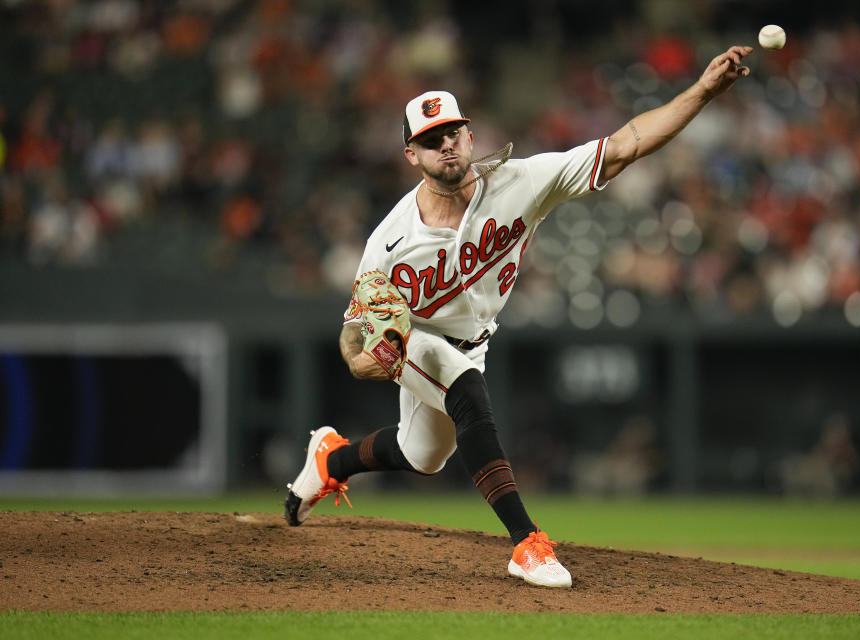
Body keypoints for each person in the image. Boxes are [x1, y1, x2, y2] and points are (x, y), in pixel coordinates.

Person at [285, 45, 753, 588]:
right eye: (430, 141)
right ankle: (527, 544)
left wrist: (700, 92)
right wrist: (357, 360)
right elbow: (353, 327)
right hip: (415, 341)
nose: (446, 146)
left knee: (423, 455)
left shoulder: (521, 182)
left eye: (452, 133)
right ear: (411, 155)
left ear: (470, 137)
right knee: (467, 397)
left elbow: (627, 144)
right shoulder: (388, 241)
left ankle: (331, 460)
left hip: (473, 341)